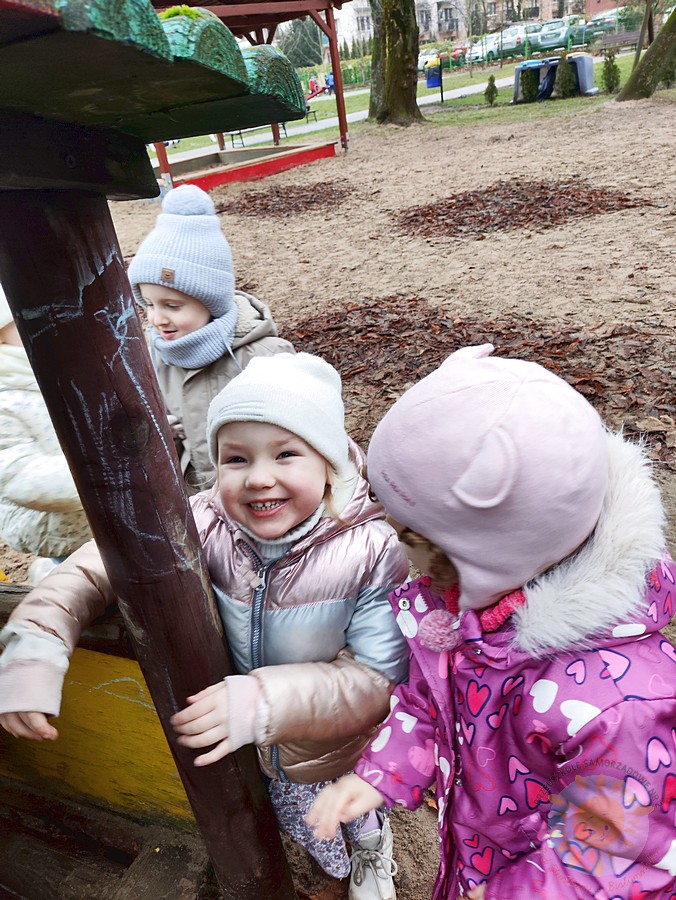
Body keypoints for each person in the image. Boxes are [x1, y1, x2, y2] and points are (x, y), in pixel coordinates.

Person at [0, 352, 410, 900]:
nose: (259, 477)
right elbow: (97, 565)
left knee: (352, 809)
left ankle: (372, 851)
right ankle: (333, 865)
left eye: (286, 454)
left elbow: (378, 675)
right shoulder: (201, 519)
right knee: (306, 826)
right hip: (243, 736)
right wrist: (39, 641)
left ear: (330, 462)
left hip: (330, 740)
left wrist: (265, 703)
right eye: (236, 458)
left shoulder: (371, 549)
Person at [307, 344, 676, 900]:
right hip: (477, 860)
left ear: (492, 551)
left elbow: (622, 856)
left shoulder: (620, 703)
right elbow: (431, 705)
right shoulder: (467, 619)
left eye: (415, 539)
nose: (403, 555)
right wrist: (380, 774)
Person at [127, 183, 293, 492]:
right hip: (200, 498)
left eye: (172, 306)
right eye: (148, 304)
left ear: (211, 302)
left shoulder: (263, 355)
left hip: (263, 491)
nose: (156, 318)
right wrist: (164, 433)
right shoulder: (157, 358)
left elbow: (302, 430)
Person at [0, 284, 91, 584]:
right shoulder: (6, 397)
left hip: (95, 512)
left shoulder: (49, 370)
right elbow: (19, 475)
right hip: (54, 525)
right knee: (82, 579)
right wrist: (102, 471)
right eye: (28, 323)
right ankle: (54, 575)